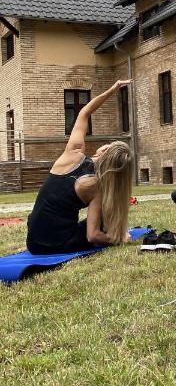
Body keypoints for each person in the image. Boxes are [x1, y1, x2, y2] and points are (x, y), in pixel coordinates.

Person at [26, 80, 134, 255]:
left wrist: (112, 89)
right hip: (54, 244)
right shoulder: (96, 186)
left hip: (33, 239)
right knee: (105, 221)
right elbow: (93, 236)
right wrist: (119, 238)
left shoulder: (73, 153)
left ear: (104, 151)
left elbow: (84, 113)